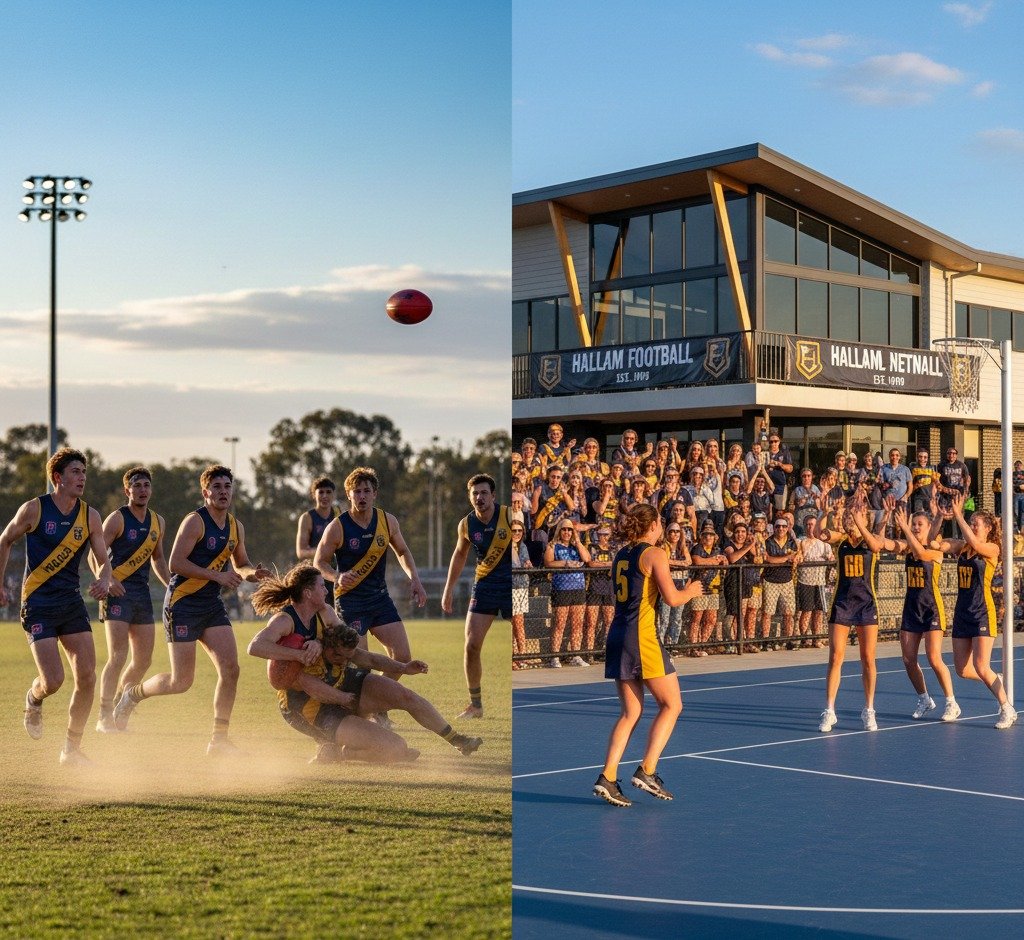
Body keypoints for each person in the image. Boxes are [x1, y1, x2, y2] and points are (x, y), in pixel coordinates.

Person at [248, 564, 481, 762]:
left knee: (406, 696)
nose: (326, 590)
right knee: (395, 748)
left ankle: (458, 740)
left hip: (338, 681)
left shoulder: (326, 613)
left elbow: (356, 653)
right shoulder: (285, 620)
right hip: (307, 704)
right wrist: (299, 656)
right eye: (321, 586)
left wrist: (401, 667)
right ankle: (342, 752)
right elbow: (256, 647)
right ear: (308, 593)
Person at [113, 464, 271, 753]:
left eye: (227, 486)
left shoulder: (236, 526)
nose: (223, 492)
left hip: (211, 605)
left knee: (231, 669)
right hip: (182, 605)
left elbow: (241, 563)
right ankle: (133, 694)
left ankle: (219, 739)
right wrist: (217, 576)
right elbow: (175, 563)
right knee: (180, 681)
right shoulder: (195, 522)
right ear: (205, 492)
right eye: (217, 487)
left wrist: (252, 574)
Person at [0, 447, 118, 765]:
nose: (81, 477)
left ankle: (71, 749)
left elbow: (103, 562)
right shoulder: (34, 510)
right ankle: (34, 697)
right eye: (75, 472)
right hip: (37, 603)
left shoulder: (89, 515)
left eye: (83, 471)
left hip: (70, 603)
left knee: (87, 677)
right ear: (58, 478)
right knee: (53, 680)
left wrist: (105, 580)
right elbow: (4, 540)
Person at [593, 503, 704, 807]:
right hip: (640, 637)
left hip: (617, 634)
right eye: (660, 523)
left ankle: (608, 777)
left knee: (630, 713)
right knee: (672, 704)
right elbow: (672, 598)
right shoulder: (655, 554)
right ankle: (648, 771)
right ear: (653, 525)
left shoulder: (621, 555)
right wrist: (692, 590)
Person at [314, 467, 427, 723]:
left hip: (379, 598)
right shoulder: (338, 527)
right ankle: (362, 717)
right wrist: (337, 577)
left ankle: (379, 702)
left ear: (375, 494)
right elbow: (319, 562)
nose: (362, 496)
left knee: (403, 657)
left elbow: (403, 552)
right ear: (348, 494)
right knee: (361, 665)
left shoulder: (388, 521)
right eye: (357, 491)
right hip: (351, 602)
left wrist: (416, 580)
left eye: (367, 491)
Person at [93, 467, 171, 734]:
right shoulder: (117, 519)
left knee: (143, 660)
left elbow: (158, 558)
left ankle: (119, 705)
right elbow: (96, 553)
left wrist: (171, 584)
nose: (142, 490)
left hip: (141, 595)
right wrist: (107, 580)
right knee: (117, 656)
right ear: (127, 491)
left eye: (146, 485)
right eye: (136, 485)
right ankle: (103, 716)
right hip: (117, 595)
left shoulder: (157, 522)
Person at [938, 494, 1016, 729]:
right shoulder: (963, 548)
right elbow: (937, 544)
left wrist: (960, 515)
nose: (971, 526)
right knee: (962, 669)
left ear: (988, 528)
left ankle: (1006, 708)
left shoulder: (991, 548)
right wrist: (939, 519)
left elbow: (976, 542)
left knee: (982, 665)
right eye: (970, 522)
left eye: (975, 523)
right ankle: (995, 680)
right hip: (962, 613)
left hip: (983, 612)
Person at [441, 474, 512, 718]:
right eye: (475, 494)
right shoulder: (466, 524)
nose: (479, 497)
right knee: (471, 645)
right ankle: (476, 705)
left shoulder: (508, 516)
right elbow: (460, 555)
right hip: (484, 587)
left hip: (512, 585)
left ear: (493, 495)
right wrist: (449, 588)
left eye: (484, 493)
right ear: (470, 497)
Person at [817, 505, 885, 733]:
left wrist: (861, 525)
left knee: (868, 658)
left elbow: (876, 546)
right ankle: (829, 710)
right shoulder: (841, 540)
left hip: (866, 604)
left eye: (855, 515)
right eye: (847, 516)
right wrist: (822, 512)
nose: (850, 519)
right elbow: (820, 533)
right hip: (843, 604)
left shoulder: (870, 539)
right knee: (836, 657)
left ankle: (869, 709)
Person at [888, 504, 958, 721]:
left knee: (934, 657)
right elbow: (890, 544)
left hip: (932, 609)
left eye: (920, 525)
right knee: (908, 659)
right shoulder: (907, 547)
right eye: (913, 524)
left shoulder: (935, 550)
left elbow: (921, 552)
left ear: (929, 528)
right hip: (911, 608)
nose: (916, 528)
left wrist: (905, 528)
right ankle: (924, 698)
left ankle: (951, 702)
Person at [544, 519, 590, 667]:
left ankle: (575, 655)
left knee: (577, 624)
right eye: (564, 529)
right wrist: (565, 563)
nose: (567, 532)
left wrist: (577, 540)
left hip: (578, 588)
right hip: (561, 588)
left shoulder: (575, 546)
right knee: (559, 624)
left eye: (570, 530)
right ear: (559, 530)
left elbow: (587, 559)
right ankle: (555, 657)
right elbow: (548, 563)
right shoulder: (553, 546)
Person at [760, 516, 800, 649]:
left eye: (783, 526)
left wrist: (783, 559)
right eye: (778, 526)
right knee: (767, 613)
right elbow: (768, 560)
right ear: (774, 528)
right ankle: (765, 640)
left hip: (787, 581)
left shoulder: (791, 542)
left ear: (788, 528)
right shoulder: (768, 542)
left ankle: (787, 639)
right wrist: (787, 558)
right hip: (770, 580)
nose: (781, 529)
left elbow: (797, 557)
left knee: (788, 613)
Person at [796, 515, 831, 648]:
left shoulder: (824, 545)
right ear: (805, 527)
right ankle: (805, 638)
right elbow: (799, 555)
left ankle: (817, 638)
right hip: (805, 580)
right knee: (807, 611)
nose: (811, 527)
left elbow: (830, 558)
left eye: (813, 525)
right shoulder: (801, 542)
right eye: (808, 524)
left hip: (820, 581)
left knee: (819, 611)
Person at [584, 526, 616, 654]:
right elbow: (591, 563)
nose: (604, 537)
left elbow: (615, 563)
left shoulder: (613, 549)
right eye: (601, 534)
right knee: (592, 622)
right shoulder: (593, 547)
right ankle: (589, 651)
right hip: (595, 587)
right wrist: (607, 565)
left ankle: (606, 650)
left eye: (606, 534)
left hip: (609, 588)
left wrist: (601, 564)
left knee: (609, 621)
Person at [295, 477, 340, 560]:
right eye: (321, 492)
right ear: (314, 495)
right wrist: (324, 551)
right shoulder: (307, 518)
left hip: (336, 565)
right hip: (313, 567)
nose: (325, 496)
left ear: (333, 495)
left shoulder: (339, 514)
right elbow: (301, 552)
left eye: (328, 492)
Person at [511, 519, 532, 668]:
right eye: (514, 531)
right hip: (510, 589)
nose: (517, 533)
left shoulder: (522, 546)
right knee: (511, 624)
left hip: (521, 588)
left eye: (520, 531)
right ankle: (512, 657)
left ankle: (522, 656)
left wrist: (528, 564)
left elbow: (526, 562)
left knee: (519, 623)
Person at [910, 449, 937, 514]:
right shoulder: (913, 468)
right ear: (917, 457)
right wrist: (915, 486)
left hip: (929, 497)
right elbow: (909, 485)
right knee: (919, 516)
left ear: (927, 458)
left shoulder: (932, 468)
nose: (922, 459)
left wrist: (934, 497)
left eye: (925, 457)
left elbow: (935, 483)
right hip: (918, 498)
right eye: (920, 457)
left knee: (931, 518)